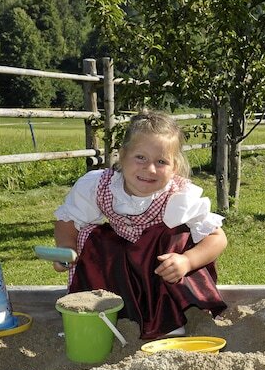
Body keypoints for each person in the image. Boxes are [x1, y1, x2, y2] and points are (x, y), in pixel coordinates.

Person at [53, 111, 228, 339]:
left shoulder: (179, 197)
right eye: (140, 158)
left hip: (161, 269)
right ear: (122, 156)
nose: (150, 169)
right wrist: (66, 249)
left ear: (174, 167)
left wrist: (187, 261)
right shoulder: (99, 185)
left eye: (161, 162)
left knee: (173, 233)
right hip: (122, 267)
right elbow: (69, 220)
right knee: (95, 237)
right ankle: (105, 310)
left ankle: (169, 317)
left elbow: (217, 238)